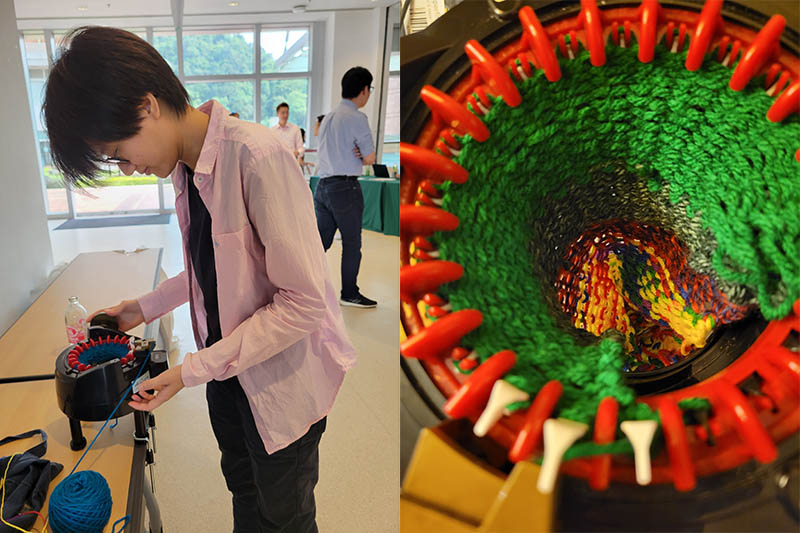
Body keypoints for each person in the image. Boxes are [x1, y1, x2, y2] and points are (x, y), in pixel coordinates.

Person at [43, 26, 356, 532]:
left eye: (120, 152)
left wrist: (190, 370)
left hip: (280, 383)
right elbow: (220, 269)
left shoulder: (256, 157)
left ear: (147, 106)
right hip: (228, 376)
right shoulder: (186, 168)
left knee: (285, 517)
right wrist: (141, 308)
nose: (127, 168)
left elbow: (303, 302)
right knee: (244, 493)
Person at [315, 67, 377, 308]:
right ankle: (349, 293)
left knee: (320, 242)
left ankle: (304, 286)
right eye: (369, 90)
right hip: (345, 188)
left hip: (323, 186)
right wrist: (361, 154)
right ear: (363, 90)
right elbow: (370, 157)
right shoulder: (357, 118)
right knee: (352, 243)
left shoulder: (328, 117)